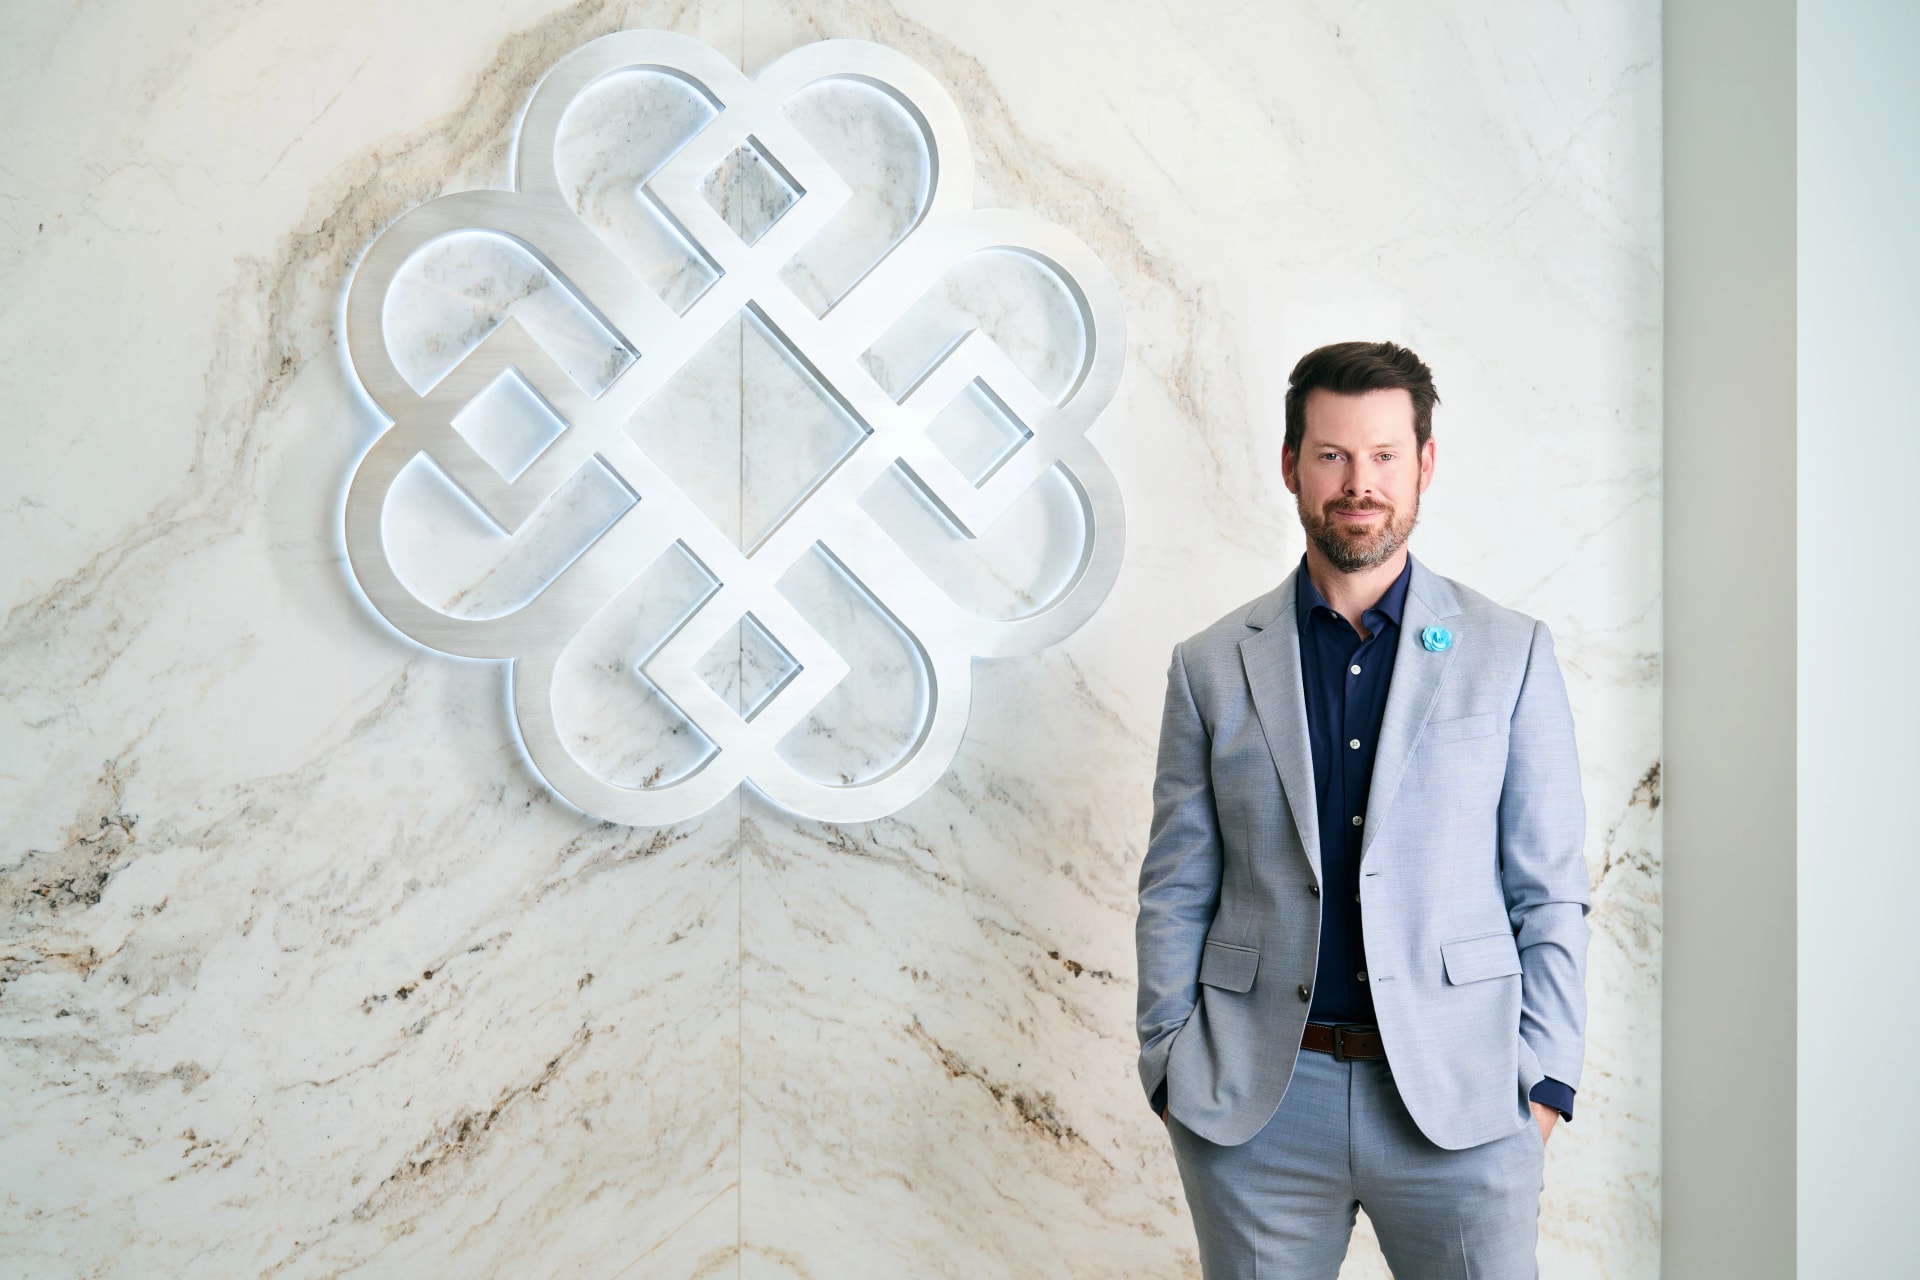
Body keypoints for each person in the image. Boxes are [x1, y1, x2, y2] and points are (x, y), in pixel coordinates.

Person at [1134, 341, 1589, 1279]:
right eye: (1333, 455)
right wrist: (1169, 1066)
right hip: (1258, 1105)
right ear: (1292, 463)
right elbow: (1176, 886)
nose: (1358, 483)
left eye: (1384, 456)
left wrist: (1541, 1080)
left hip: (1462, 1098)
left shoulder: (1510, 653)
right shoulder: (1211, 664)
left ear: (1424, 464)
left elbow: (1547, 890)